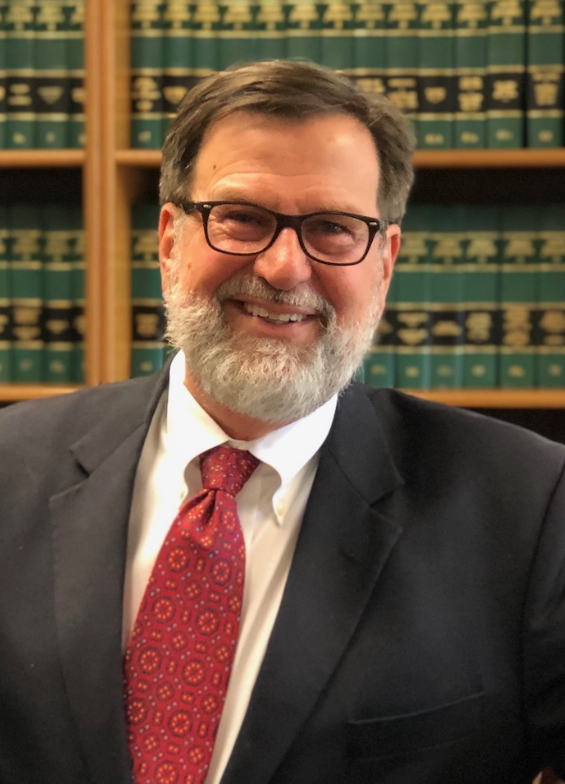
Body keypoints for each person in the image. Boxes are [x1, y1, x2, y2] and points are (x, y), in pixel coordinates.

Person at [0, 60, 563, 784]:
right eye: (241, 218)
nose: (281, 267)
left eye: (332, 228)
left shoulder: (526, 505)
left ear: (384, 262)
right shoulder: (9, 468)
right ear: (170, 239)